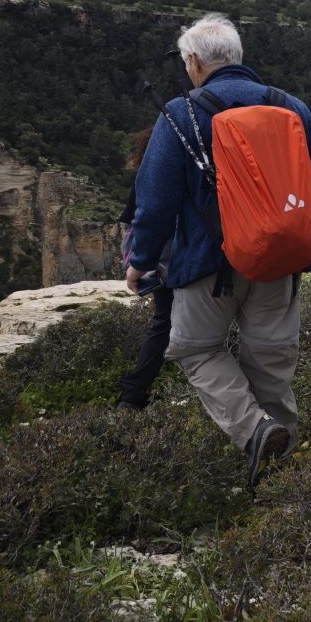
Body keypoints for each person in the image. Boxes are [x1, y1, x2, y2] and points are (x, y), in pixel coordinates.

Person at [126, 13, 311, 490]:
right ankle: (282, 479)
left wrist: (141, 261)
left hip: (206, 265)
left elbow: (155, 201)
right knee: (270, 358)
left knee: (196, 348)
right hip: (281, 261)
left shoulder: (179, 113)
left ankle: (254, 432)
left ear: (193, 62)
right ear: (237, 58)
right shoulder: (288, 106)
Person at [115, 127, 172, 411]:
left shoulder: (148, 174)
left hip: (161, 263)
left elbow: (132, 220)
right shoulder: (187, 165)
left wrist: (139, 263)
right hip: (185, 258)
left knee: (164, 324)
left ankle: (133, 395)